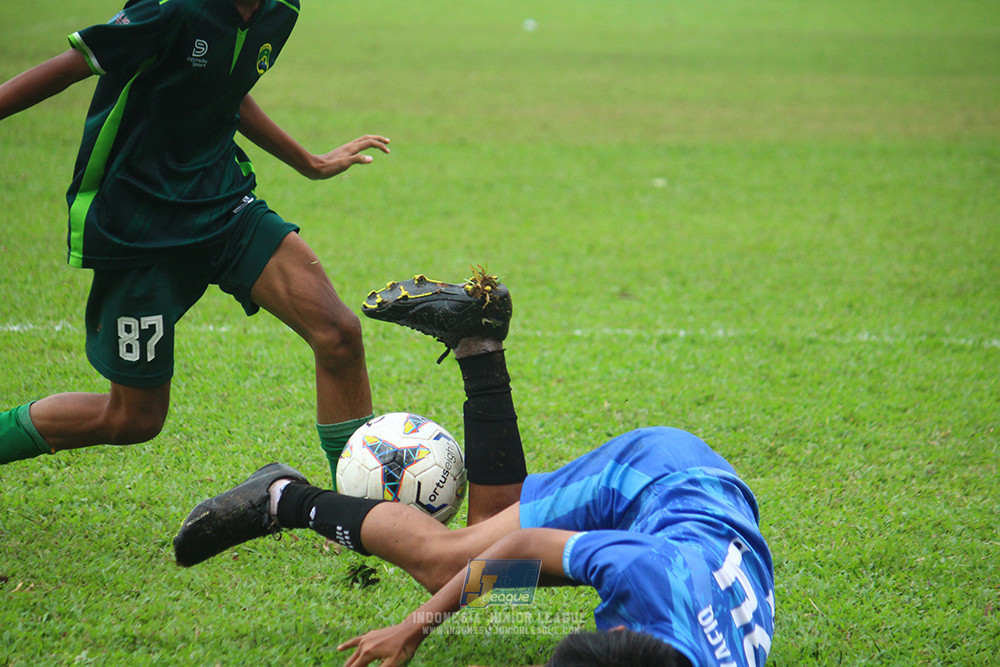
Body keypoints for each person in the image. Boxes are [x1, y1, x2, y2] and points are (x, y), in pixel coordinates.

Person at [172, 271, 776, 667]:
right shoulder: (640, 571)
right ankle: (284, 497)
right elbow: (520, 549)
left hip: (701, 521)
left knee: (487, 543)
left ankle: (477, 341)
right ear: (619, 634)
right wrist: (417, 625)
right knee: (449, 565)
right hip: (653, 480)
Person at [0, 0, 390, 481]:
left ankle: (357, 511)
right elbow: (67, 69)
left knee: (338, 333)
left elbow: (228, 89)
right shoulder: (169, 10)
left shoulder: (280, 12)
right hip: (141, 225)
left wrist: (308, 162)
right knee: (133, 417)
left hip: (224, 203)